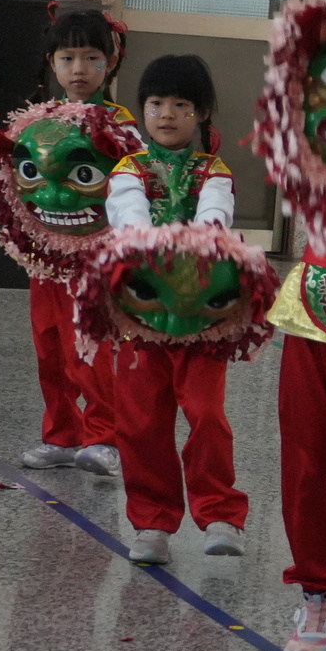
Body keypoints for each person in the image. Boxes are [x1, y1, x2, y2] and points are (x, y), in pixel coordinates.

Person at [102, 54, 247, 565]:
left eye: (180, 104)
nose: (166, 114)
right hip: (140, 313)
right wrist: (150, 246)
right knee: (140, 421)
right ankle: (152, 521)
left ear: (201, 113)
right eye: (156, 103)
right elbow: (129, 216)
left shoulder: (215, 171)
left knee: (206, 414)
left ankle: (221, 514)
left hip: (201, 317)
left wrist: (198, 243)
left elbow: (214, 217)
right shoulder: (127, 170)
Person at [17, 8, 140, 477]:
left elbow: (133, 189)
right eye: (67, 58)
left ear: (110, 63)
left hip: (95, 260)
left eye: (91, 58)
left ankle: (105, 437)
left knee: (91, 348)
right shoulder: (38, 120)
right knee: (49, 346)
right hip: (45, 258)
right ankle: (61, 435)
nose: (79, 70)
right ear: (53, 63)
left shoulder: (122, 126)